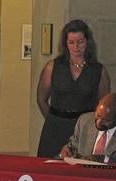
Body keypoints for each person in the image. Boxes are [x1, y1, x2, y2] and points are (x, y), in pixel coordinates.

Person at [37, 19, 111, 158]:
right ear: (65, 43)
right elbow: (41, 99)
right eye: (71, 42)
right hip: (55, 128)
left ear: (87, 42)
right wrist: (53, 120)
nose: (76, 47)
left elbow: (104, 104)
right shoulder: (53, 66)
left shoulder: (98, 70)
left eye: (80, 42)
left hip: (85, 129)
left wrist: (93, 128)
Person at [61, 93, 116, 164]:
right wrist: (68, 151)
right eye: (98, 115)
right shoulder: (84, 121)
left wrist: (105, 161)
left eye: (106, 120)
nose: (99, 122)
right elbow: (73, 146)